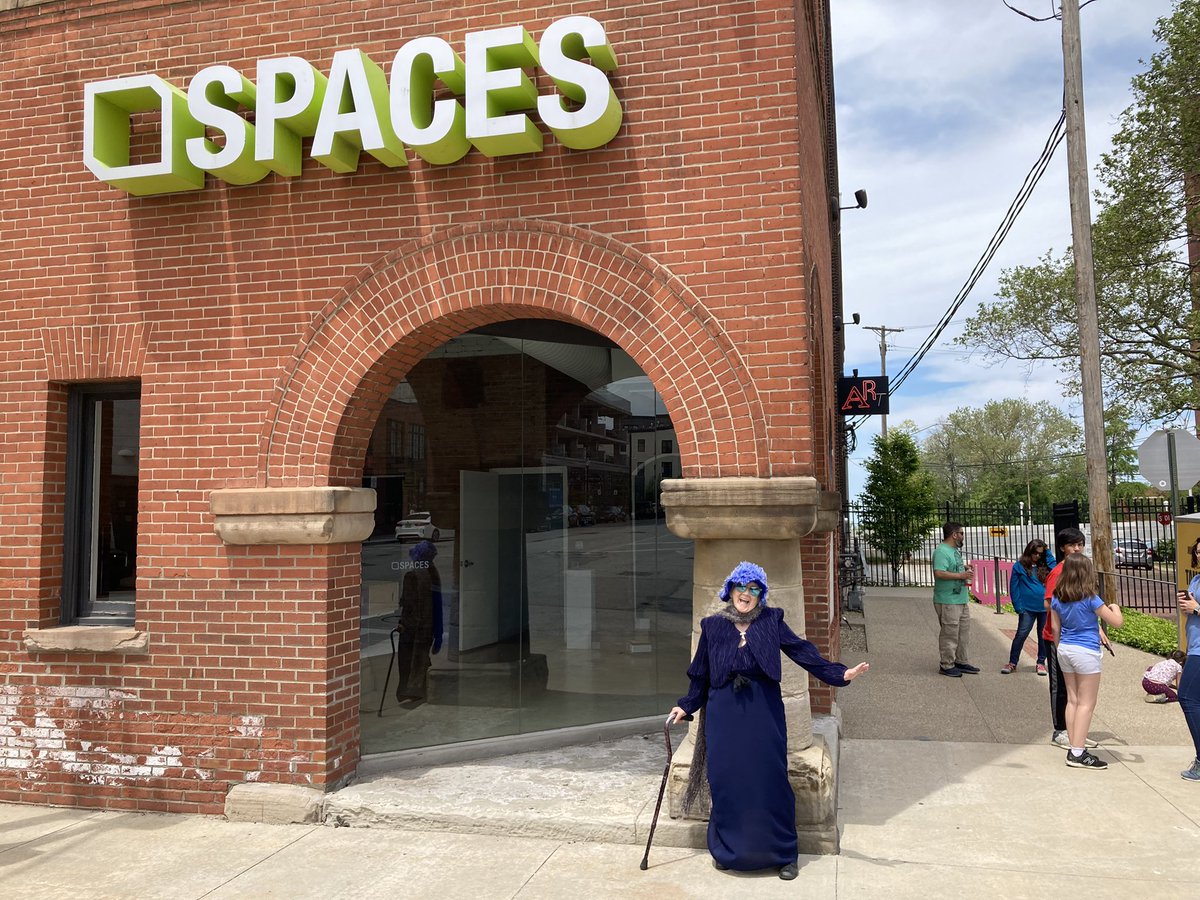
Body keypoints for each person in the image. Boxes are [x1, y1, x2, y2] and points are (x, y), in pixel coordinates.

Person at [668, 561, 868, 880]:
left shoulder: (772, 621)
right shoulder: (712, 626)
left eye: (753, 589)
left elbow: (803, 653)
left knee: (768, 777)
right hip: (723, 712)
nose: (745, 594)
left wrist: (839, 674)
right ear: (730, 590)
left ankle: (784, 853)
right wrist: (686, 706)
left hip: (763, 709)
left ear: (761, 595)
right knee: (726, 778)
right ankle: (725, 849)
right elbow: (700, 675)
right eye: (740, 587)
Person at [1049, 554, 1123, 770]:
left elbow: (1055, 628)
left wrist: (1060, 647)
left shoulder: (1057, 597)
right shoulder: (1090, 598)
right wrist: (1115, 606)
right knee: (1086, 703)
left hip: (1064, 649)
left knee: (1072, 700)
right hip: (1086, 652)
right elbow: (1116, 622)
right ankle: (1078, 752)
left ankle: (1075, 745)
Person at [1041, 527, 1099, 749]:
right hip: (1058, 637)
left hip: (1074, 638)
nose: (1077, 548)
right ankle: (1060, 730)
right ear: (1063, 548)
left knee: (1076, 690)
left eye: (1080, 544)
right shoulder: (1058, 573)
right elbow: (1048, 602)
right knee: (1061, 687)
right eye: (1073, 545)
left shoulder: (1079, 570)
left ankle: (1076, 733)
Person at [394, 539, 443, 703]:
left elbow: (408, 605)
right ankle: (416, 690)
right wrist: (438, 633)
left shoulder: (412, 576)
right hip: (425, 629)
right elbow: (437, 606)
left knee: (408, 662)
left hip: (412, 629)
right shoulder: (433, 574)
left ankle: (409, 691)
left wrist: (403, 624)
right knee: (419, 660)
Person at [1002, 538, 1056, 674]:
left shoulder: (1044, 566)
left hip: (1044, 607)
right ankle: (1012, 662)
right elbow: (1014, 588)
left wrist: (1047, 551)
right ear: (1029, 552)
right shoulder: (1019, 566)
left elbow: (1055, 567)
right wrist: (1018, 606)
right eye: (1035, 553)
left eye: (1040, 554)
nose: (1037, 556)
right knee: (1021, 634)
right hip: (1026, 608)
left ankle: (1041, 662)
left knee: (1043, 636)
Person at [932, 522, 978, 677]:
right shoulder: (941, 551)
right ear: (954, 535)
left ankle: (961, 661)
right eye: (962, 533)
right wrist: (961, 575)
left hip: (960, 598)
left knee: (963, 633)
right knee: (950, 633)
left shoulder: (954, 551)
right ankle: (946, 664)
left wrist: (964, 568)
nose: (963, 536)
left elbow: (951, 567)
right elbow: (939, 572)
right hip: (948, 600)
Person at [1175, 545, 1200, 781]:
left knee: (1187, 697)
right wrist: (1188, 608)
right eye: (1199, 551)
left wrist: (1197, 608)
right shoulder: (1196, 580)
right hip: (1194, 647)